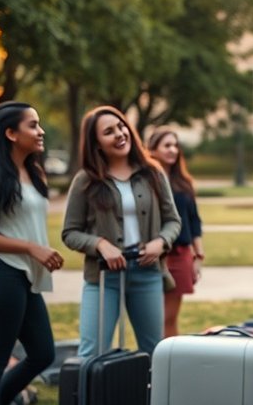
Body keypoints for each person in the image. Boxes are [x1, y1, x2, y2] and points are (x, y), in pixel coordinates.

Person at [62, 106, 181, 358]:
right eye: (108, 132)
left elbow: (173, 221)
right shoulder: (86, 180)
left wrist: (161, 242)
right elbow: (70, 232)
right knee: (91, 353)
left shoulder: (153, 173)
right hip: (104, 277)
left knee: (153, 352)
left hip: (147, 272)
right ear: (97, 144)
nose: (119, 134)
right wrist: (100, 245)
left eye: (121, 126)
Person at [0, 101, 60, 405]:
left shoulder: (34, 173)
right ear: (10, 133)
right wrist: (32, 248)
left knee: (43, 353)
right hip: (1, 273)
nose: (40, 131)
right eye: (32, 125)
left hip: (24, 276)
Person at [147, 128, 205, 338]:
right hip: (153, 255)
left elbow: (194, 221)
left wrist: (198, 256)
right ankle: (151, 362)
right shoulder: (145, 181)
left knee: (169, 318)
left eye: (175, 145)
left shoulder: (184, 182)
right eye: (167, 145)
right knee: (152, 317)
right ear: (152, 150)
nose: (173, 150)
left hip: (180, 255)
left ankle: (166, 363)